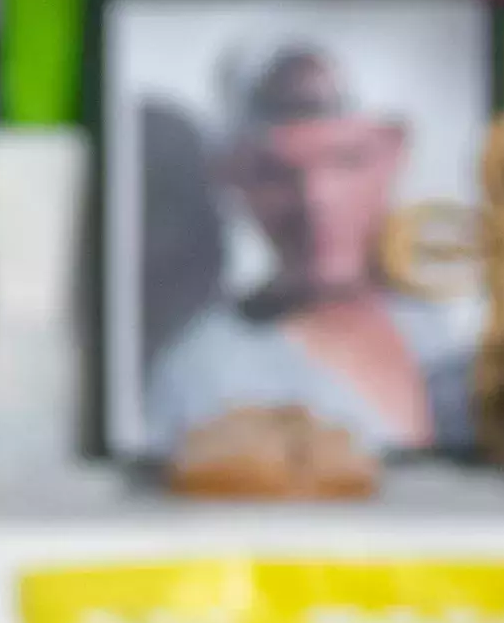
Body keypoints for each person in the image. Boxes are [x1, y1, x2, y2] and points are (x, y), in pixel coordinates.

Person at [140, 38, 471, 452]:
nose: (316, 199)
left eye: (347, 159)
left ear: (395, 154)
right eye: (277, 174)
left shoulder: (459, 326)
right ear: (234, 179)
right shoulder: (204, 373)